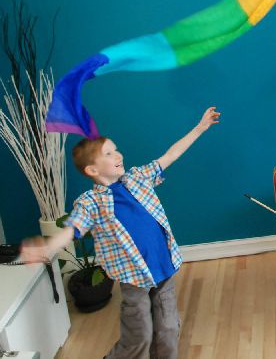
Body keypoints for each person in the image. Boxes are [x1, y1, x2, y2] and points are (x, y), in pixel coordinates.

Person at [21, 106, 220, 359]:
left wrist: (200, 127)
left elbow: (170, 155)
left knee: (169, 329)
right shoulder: (91, 202)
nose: (119, 154)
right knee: (139, 336)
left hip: (164, 269)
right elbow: (72, 229)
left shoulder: (137, 178)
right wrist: (48, 247)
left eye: (116, 149)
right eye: (109, 153)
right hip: (133, 279)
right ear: (93, 170)